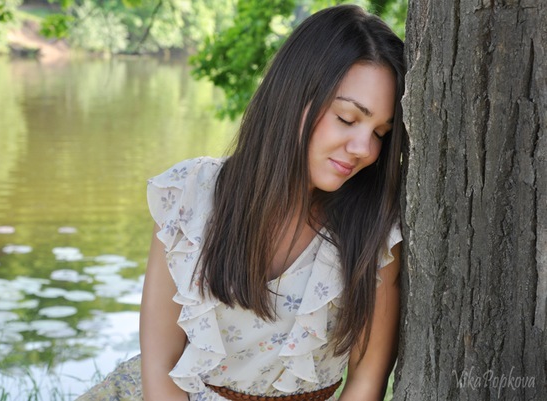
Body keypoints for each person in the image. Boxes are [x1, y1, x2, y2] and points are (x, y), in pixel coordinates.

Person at [76, 4, 405, 401]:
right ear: (294, 96)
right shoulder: (190, 195)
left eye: (380, 133)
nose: (364, 149)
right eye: (347, 119)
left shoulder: (376, 234)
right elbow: (160, 364)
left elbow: (366, 381)